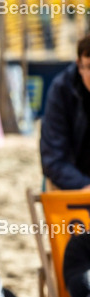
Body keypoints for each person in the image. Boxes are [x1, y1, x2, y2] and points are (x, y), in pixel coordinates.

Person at [40, 33, 90, 190]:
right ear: (79, 65)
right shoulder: (61, 90)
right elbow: (53, 160)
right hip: (71, 182)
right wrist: (84, 186)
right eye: (89, 67)